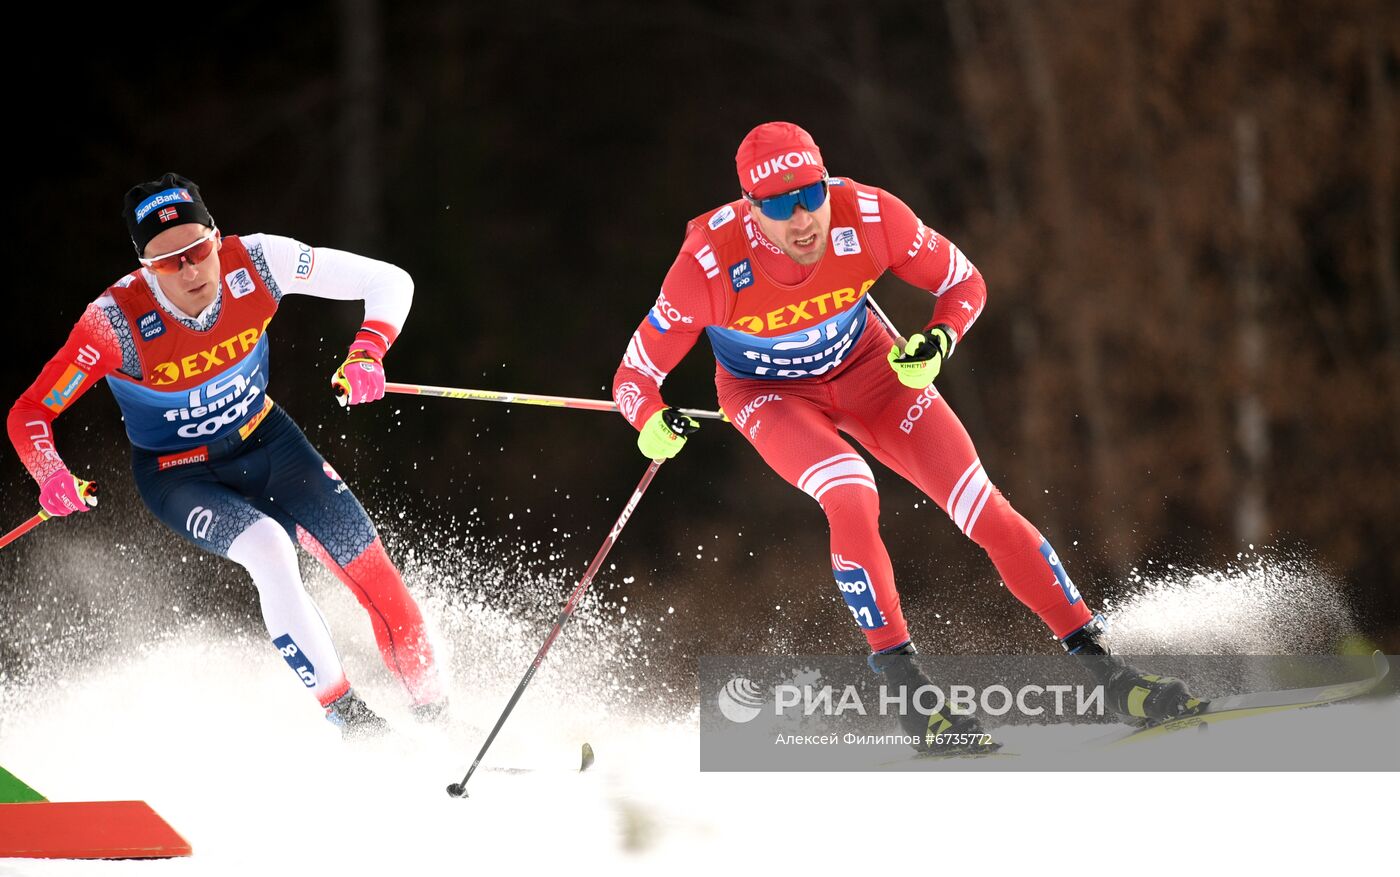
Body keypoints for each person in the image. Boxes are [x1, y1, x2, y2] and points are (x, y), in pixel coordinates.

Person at [611, 123, 1199, 753]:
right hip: (769, 396)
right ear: (753, 211)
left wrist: (939, 339)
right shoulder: (709, 266)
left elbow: (964, 283)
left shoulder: (869, 215)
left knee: (981, 504)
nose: (802, 218)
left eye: (811, 193)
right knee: (851, 490)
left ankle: (1111, 676)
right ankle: (914, 702)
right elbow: (634, 375)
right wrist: (649, 422)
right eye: (779, 205)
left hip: (869, 366)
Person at [8, 172, 445, 738]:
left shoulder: (262, 262)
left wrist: (368, 352)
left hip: (269, 439)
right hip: (178, 473)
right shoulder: (113, 322)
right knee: (268, 548)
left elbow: (390, 282)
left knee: (376, 575)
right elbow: (31, 412)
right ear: (146, 268)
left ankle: (441, 728)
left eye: (197, 250)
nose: (190, 271)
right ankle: (355, 726)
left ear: (218, 236)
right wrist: (52, 475)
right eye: (168, 263)